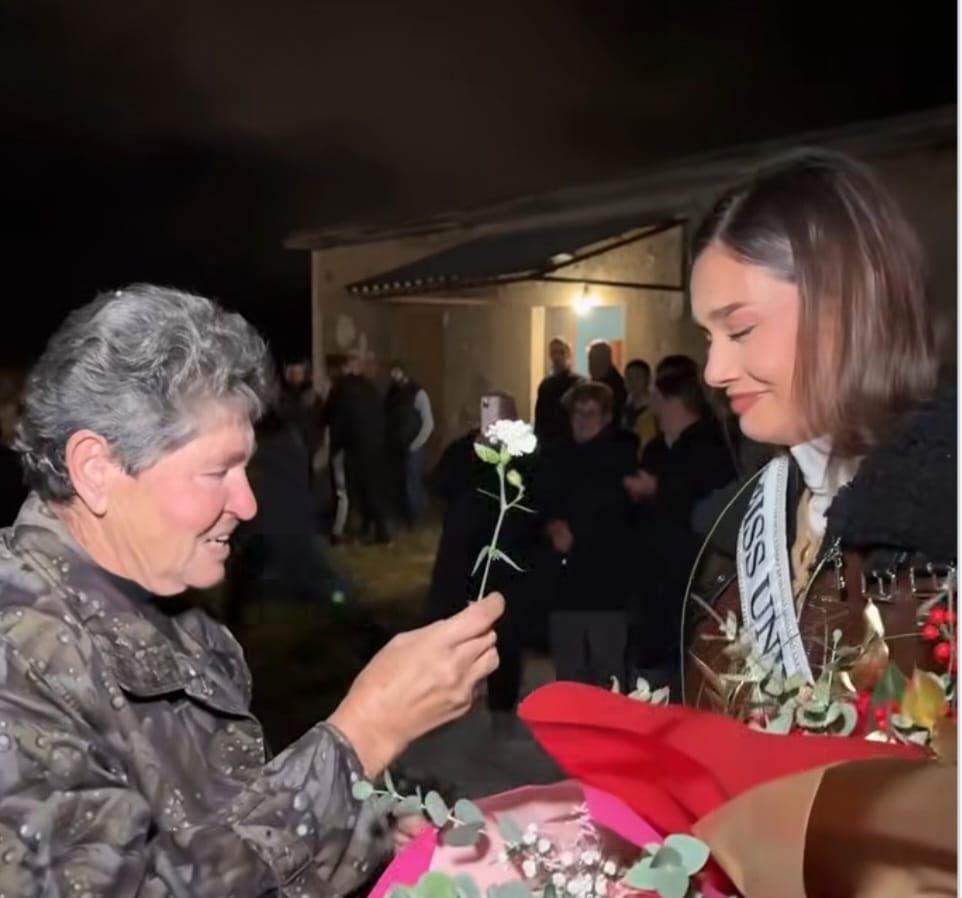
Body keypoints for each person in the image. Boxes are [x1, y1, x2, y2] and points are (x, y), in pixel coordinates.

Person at [0, 285, 504, 897]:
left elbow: (214, 832)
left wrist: (360, 827)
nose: (247, 503)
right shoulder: (15, 658)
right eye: (216, 471)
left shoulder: (170, 609)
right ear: (96, 469)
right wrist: (362, 736)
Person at [685, 149, 956, 709]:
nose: (713, 371)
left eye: (740, 330)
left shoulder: (936, 522)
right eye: (708, 338)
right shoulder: (755, 518)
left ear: (846, 312)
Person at [623, 358, 734, 692]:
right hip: (652, 578)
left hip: (692, 576)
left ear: (671, 400)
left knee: (686, 668)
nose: (652, 407)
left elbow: (710, 502)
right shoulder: (656, 448)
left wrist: (658, 489)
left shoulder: (710, 446)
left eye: (656, 397)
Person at [538, 382, 637, 687]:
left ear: (606, 417)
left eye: (590, 413)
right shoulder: (555, 455)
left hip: (606, 586)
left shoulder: (621, 456)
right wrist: (551, 525)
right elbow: (540, 503)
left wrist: (578, 533)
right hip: (565, 586)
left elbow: (619, 514)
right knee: (569, 674)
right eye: (577, 413)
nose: (582, 420)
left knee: (608, 675)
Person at [325, 351, 391, 544]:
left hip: (351, 448)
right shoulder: (369, 387)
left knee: (347, 490)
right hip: (374, 446)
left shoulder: (340, 388)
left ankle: (343, 531)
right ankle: (378, 531)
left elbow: (329, 416)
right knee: (372, 488)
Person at [385, 361, 434, 528]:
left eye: (396, 372)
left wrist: (416, 444)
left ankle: (414, 519)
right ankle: (403, 518)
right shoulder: (392, 393)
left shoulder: (418, 393)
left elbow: (428, 423)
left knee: (412, 484)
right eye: (392, 372)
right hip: (396, 447)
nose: (393, 375)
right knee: (399, 484)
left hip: (412, 447)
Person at [533, 338, 583, 448]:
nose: (557, 356)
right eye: (554, 352)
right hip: (548, 443)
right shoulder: (545, 385)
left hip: (571, 443)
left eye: (561, 352)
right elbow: (540, 417)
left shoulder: (577, 383)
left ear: (568, 354)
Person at [587, 340, 628, 427]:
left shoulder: (618, 388)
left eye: (598, 359)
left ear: (608, 360)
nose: (593, 363)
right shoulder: (591, 384)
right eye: (590, 359)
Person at [621, 358, 657, 450]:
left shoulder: (657, 409)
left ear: (648, 379)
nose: (633, 382)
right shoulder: (625, 406)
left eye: (638, 377)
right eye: (629, 378)